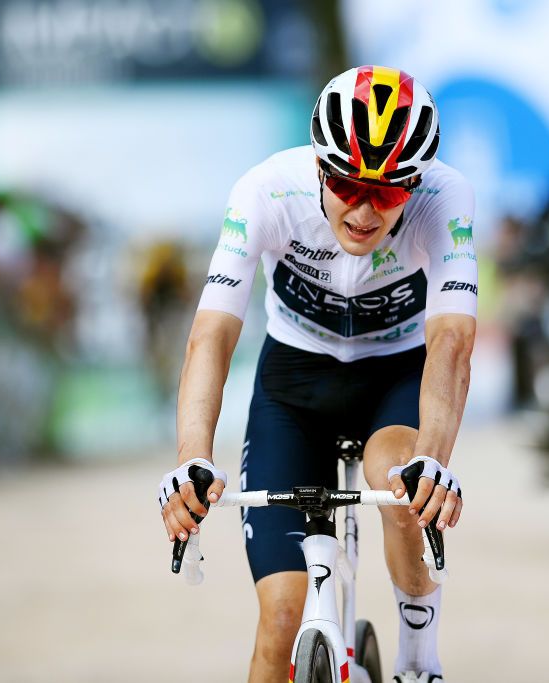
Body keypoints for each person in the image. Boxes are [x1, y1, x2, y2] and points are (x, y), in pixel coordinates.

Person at [158, 65, 477, 683]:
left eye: (388, 192)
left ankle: (418, 662)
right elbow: (212, 335)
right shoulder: (267, 191)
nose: (364, 210)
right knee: (281, 621)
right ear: (318, 168)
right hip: (294, 385)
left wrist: (434, 458)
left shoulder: (446, 197)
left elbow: (452, 339)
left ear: (415, 183)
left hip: (396, 380)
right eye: (348, 184)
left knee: (400, 482)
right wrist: (191, 457)